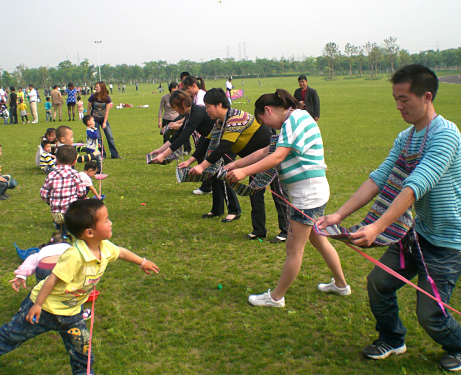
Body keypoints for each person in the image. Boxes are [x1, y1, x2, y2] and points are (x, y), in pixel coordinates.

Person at [317, 64, 461, 372]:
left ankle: (458, 346)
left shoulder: (445, 135)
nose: (398, 106)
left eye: (404, 99)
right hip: (417, 232)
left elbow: (416, 184)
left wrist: (379, 226)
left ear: (426, 96)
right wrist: (339, 214)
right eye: (395, 98)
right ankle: (393, 339)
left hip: (448, 241)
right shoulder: (406, 138)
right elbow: (380, 177)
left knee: (431, 315)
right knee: (379, 283)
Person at [0, 199, 159, 375]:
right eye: (106, 220)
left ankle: (83, 372)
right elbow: (51, 280)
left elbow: (122, 252)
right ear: (89, 232)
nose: (111, 223)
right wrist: (37, 304)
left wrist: (142, 262)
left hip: (72, 313)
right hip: (45, 308)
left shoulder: (105, 247)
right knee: (13, 335)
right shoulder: (74, 256)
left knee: (83, 349)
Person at [226, 89, 350, 308]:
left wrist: (245, 173)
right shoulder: (290, 121)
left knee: (293, 250)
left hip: (307, 196)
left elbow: (278, 156)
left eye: (265, 121)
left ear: (268, 110)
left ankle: (276, 297)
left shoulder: (295, 119)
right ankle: (341, 285)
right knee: (319, 240)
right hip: (312, 193)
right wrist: (236, 164)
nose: (269, 126)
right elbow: (267, 151)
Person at [185, 88, 289, 240]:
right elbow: (207, 142)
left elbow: (224, 146)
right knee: (255, 193)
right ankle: (259, 231)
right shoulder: (220, 123)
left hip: (270, 155)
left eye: (208, 106)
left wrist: (202, 166)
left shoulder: (235, 118)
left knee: (278, 192)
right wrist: (190, 160)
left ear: (219, 105)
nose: (206, 110)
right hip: (252, 159)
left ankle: (286, 231)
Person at [40, 145, 87, 233]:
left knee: (61, 225)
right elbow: (82, 192)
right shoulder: (75, 174)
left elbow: (43, 194)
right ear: (74, 162)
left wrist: (49, 201)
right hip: (71, 211)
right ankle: (66, 230)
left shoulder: (51, 175)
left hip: (55, 211)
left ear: (56, 160)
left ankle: (59, 227)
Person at [88, 81, 121, 159]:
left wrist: (105, 122)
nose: (95, 88)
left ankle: (115, 155)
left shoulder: (107, 98)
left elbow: (107, 111)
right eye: (95, 87)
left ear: (101, 88)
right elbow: (88, 109)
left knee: (110, 137)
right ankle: (102, 154)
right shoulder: (92, 97)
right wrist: (89, 120)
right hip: (94, 119)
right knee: (98, 138)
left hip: (104, 119)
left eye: (97, 87)